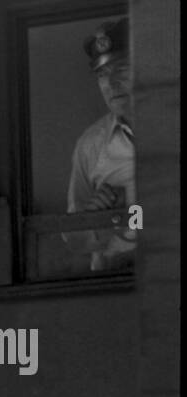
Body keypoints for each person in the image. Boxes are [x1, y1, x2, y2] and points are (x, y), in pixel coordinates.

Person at [65, 18, 136, 272]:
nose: (111, 83)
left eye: (122, 68)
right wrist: (92, 218)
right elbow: (74, 241)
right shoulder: (90, 145)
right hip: (117, 279)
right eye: (102, 74)